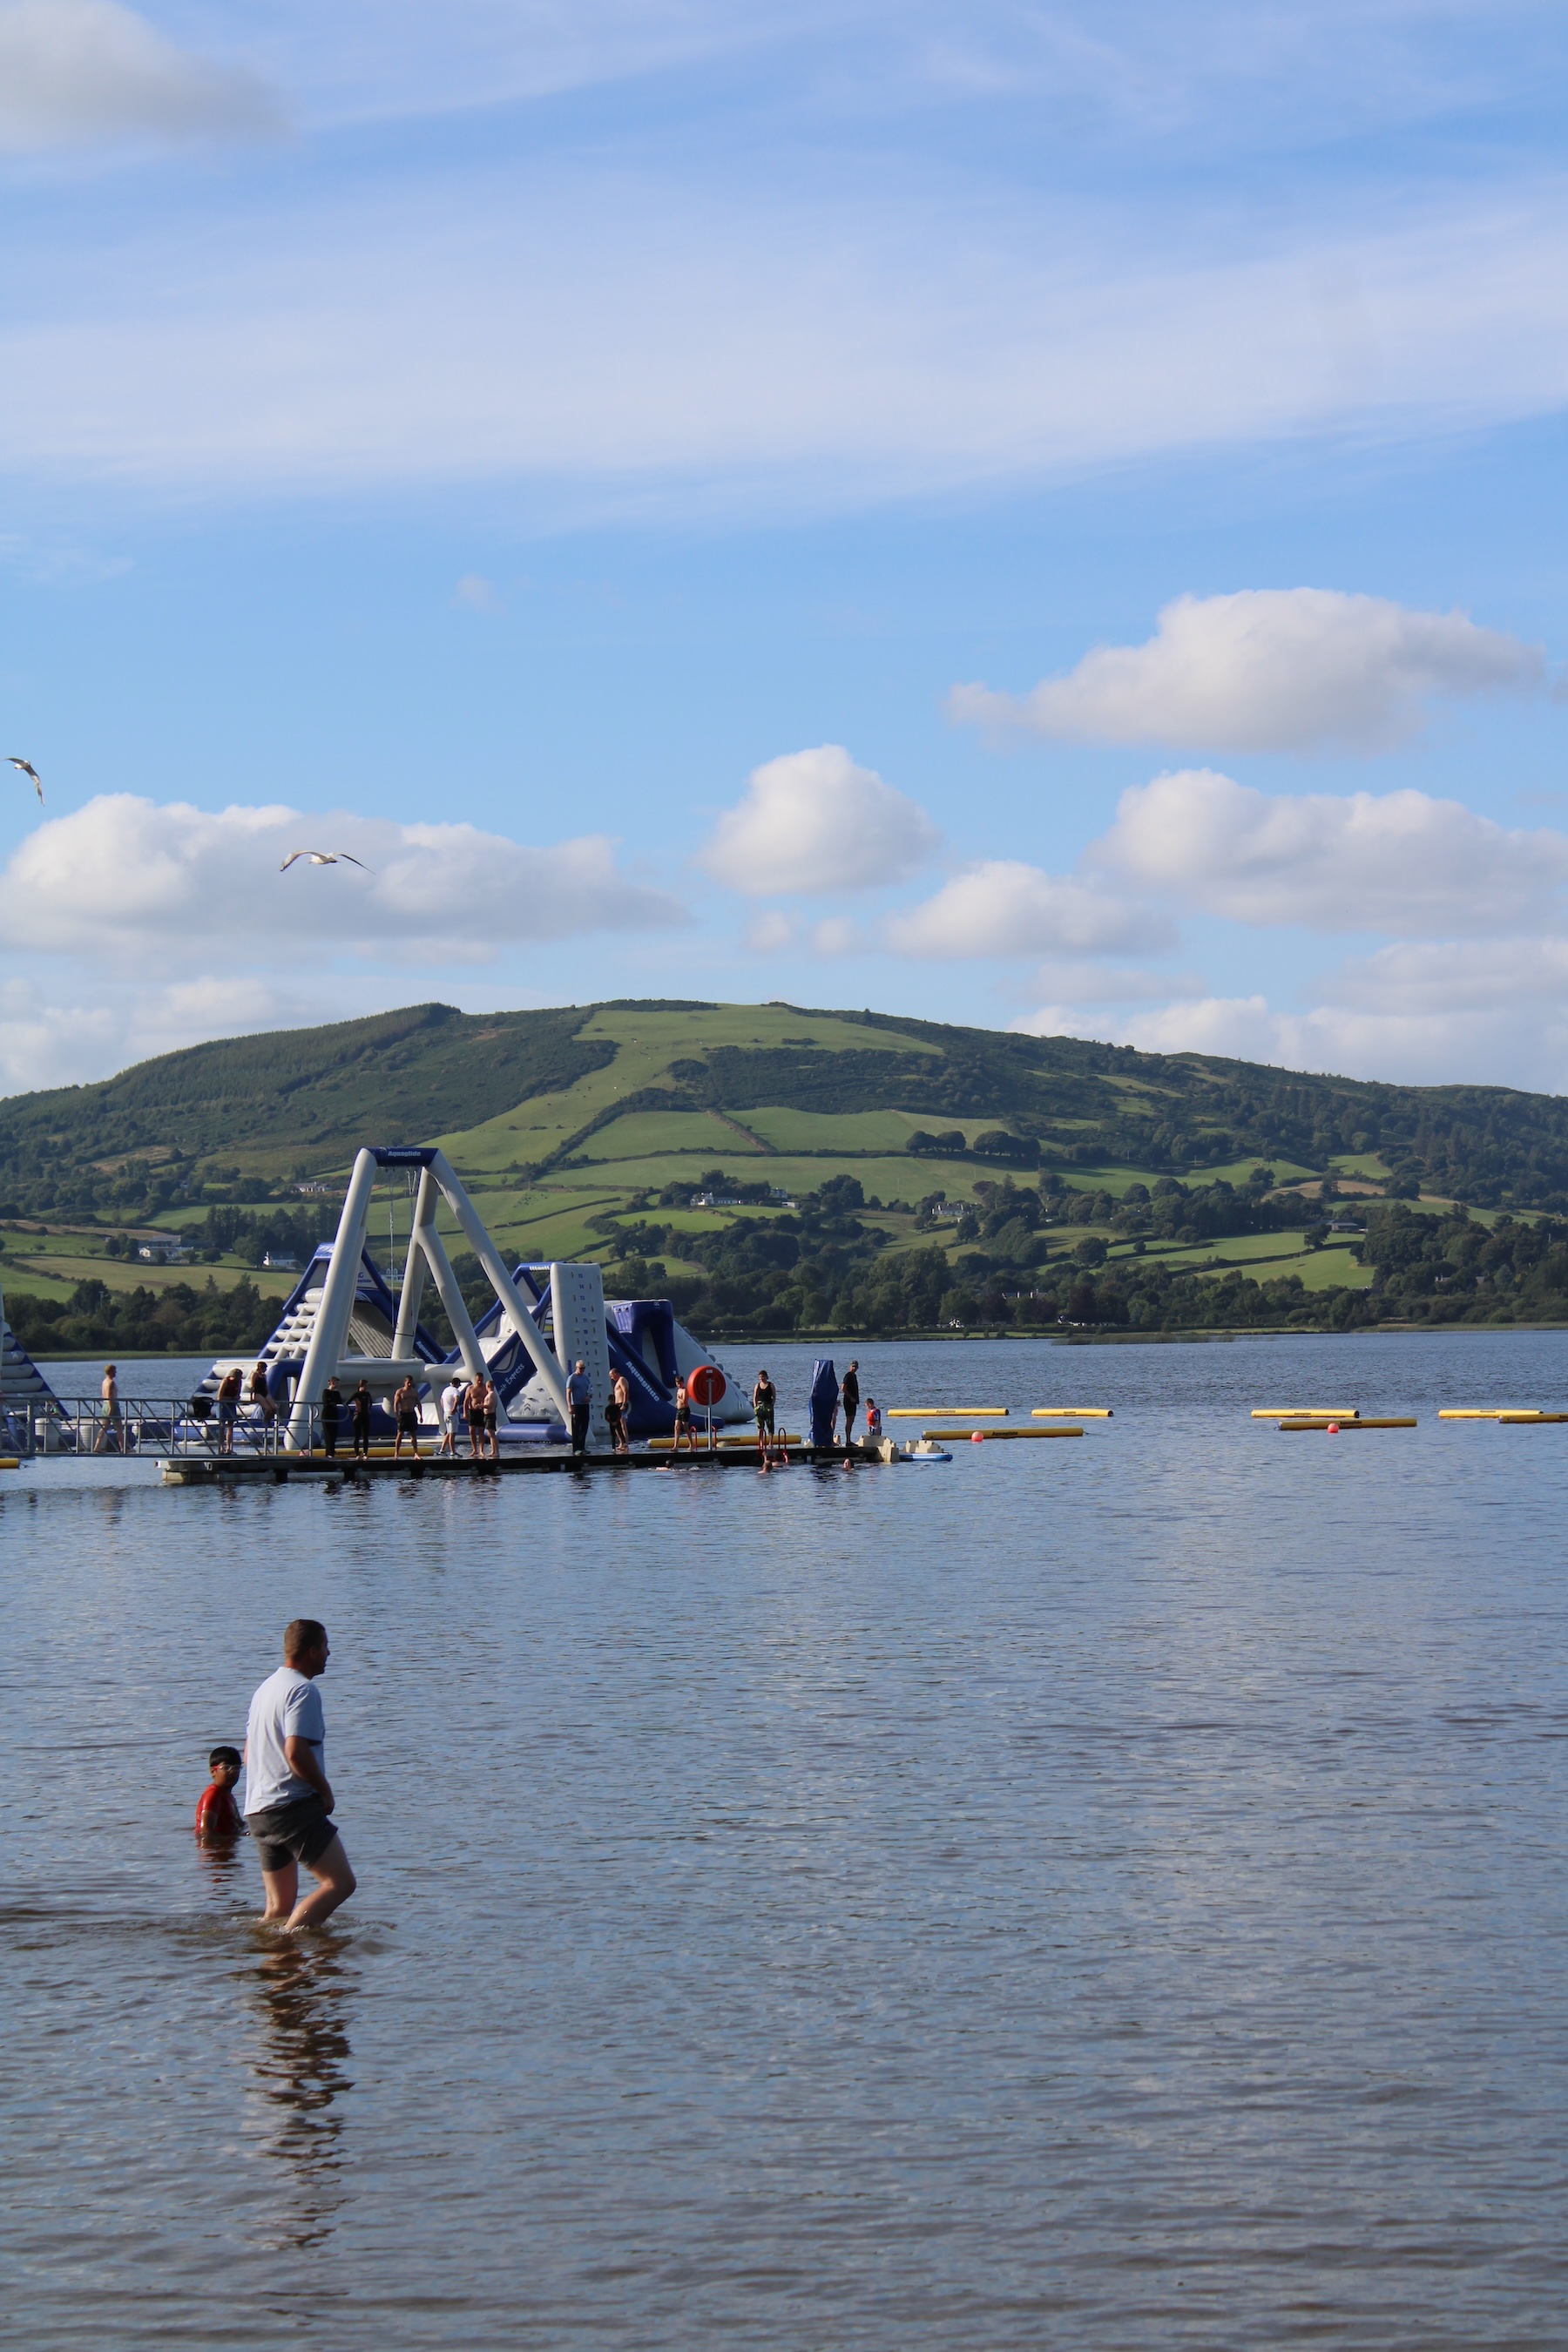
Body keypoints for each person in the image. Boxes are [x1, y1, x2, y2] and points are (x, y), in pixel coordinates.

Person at [243, 1619, 356, 1932]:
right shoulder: (302, 1690)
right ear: (311, 1651)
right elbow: (295, 1752)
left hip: (258, 1809)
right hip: (291, 1807)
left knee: (278, 1908)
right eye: (325, 1646)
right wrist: (325, 1791)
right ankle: (288, 1943)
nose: (329, 1653)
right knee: (340, 1883)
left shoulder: (265, 1689)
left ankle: (277, 1970)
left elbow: (249, 1751)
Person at [195, 1745, 244, 1842]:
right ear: (213, 1771)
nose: (232, 1772)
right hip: (214, 1851)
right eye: (226, 1768)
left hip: (227, 1849)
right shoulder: (213, 1794)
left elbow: (240, 1824)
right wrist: (221, 1847)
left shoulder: (228, 1796)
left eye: (236, 1768)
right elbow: (205, 1831)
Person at [93, 1363, 122, 1454]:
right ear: (111, 1372)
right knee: (119, 1428)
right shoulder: (111, 1382)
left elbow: (104, 1395)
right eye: (114, 1371)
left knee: (104, 1427)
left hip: (105, 1405)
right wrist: (111, 1408)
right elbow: (109, 1396)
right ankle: (123, 1448)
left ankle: (97, 1446)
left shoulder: (104, 1381)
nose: (116, 1373)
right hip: (112, 1405)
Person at [565, 1358, 591, 1458]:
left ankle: (582, 1447)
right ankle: (576, 1449)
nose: (582, 1370)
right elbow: (568, 1393)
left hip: (585, 1405)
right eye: (580, 1368)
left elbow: (590, 1389)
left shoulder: (586, 1378)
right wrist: (569, 1406)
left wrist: (589, 1397)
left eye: (583, 1368)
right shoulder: (572, 1378)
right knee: (576, 1427)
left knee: (584, 1427)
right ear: (576, 1367)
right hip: (576, 1405)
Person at [392, 1373, 422, 1459]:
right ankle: (396, 1453)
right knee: (400, 1434)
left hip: (412, 1413)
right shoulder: (400, 1392)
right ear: (405, 1382)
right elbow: (396, 1404)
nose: (409, 1384)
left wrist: (421, 1415)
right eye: (408, 1383)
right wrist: (397, 1415)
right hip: (403, 1414)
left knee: (413, 1434)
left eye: (411, 1383)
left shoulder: (414, 1392)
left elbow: (418, 1404)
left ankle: (416, 1453)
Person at [216, 1365, 242, 1456]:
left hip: (231, 1405)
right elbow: (219, 1397)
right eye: (237, 1378)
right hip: (223, 1405)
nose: (238, 1380)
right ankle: (221, 1448)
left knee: (231, 1427)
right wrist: (231, 1398)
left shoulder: (239, 1382)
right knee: (222, 1426)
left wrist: (235, 1398)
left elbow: (238, 1395)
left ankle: (229, 1448)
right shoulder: (226, 1381)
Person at [753, 1367, 776, 1465]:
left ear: (766, 1377)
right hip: (759, 1406)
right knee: (760, 1427)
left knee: (770, 1425)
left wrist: (771, 1405)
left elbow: (774, 1396)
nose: (761, 1379)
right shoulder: (757, 1386)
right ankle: (761, 1443)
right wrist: (755, 1407)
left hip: (768, 1406)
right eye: (760, 1377)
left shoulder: (770, 1385)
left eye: (763, 1377)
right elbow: (754, 1397)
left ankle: (770, 1443)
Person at [606, 1367, 630, 1455]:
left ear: (615, 1373)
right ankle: (621, 1442)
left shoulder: (622, 1379)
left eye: (611, 1376)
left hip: (621, 1404)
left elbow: (626, 1391)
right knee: (617, 1425)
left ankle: (626, 1443)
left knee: (622, 1424)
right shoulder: (617, 1382)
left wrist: (624, 1403)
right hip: (617, 1405)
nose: (611, 1378)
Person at [438, 1372, 463, 1456]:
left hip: (446, 1413)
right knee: (452, 1433)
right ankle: (452, 1451)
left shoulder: (446, 1390)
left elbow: (441, 1400)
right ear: (457, 1384)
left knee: (448, 1433)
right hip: (452, 1414)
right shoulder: (456, 1391)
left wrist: (445, 1409)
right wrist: (453, 1409)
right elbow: (456, 1400)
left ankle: (442, 1450)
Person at [249, 1362, 277, 1436]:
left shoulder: (264, 1376)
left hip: (265, 1392)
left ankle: (268, 1420)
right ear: (260, 1368)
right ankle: (264, 1421)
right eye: (264, 1368)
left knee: (274, 1408)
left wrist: (270, 1396)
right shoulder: (255, 1375)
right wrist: (251, 1397)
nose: (265, 1370)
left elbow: (266, 1387)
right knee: (268, 1409)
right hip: (258, 1393)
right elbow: (252, 1386)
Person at [840, 1360, 861, 1456]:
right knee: (849, 1420)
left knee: (852, 1420)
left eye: (855, 1367)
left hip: (853, 1401)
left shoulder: (854, 1376)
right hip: (848, 1401)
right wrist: (851, 1397)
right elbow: (843, 1388)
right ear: (850, 1367)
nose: (854, 1368)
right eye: (853, 1366)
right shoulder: (848, 1375)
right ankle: (847, 1440)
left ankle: (849, 1440)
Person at [671, 1374, 693, 1458]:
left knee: (685, 1427)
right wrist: (677, 1402)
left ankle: (691, 1444)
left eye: (680, 1383)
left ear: (683, 1383)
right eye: (677, 1383)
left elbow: (684, 1401)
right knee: (676, 1427)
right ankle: (675, 1446)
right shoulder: (679, 1390)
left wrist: (678, 1398)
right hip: (679, 1410)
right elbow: (679, 1401)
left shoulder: (684, 1390)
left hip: (685, 1410)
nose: (679, 1385)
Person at [350, 1379, 373, 1460]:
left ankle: (365, 1453)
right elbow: (347, 1403)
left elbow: (371, 1403)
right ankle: (357, 1453)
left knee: (365, 1436)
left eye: (367, 1386)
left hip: (366, 1415)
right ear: (361, 1386)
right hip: (358, 1416)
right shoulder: (357, 1394)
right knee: (357, 1436)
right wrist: (352, 1411)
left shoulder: (367, 1394)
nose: (367, 1387)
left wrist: (369, 1409)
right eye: (365, 1386)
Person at [464, 1374, 486, 1459]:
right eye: (478, 1380)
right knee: (471, 1430)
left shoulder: (485, 1388)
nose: (480, 1382)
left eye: (481, 1380)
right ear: (475, 1379)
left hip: (482, 1411)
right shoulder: (470, 1388)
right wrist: (465, 1413)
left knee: (481, 1430)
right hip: (472, 1411)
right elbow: (466, 1401)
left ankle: (481, 1450)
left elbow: (489, 1399)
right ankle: (474, 1449)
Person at [320, 1375, 341, 1460]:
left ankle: (332, 1452)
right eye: (336, 1383)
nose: (338, 1385)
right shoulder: (326, 1391)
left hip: (334, 1414)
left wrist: (332, 1402)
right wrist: (332, 1402)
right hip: (327, 1414)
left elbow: (339, 1401)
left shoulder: (336, 1393)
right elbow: (326, 1401)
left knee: (334, 1434)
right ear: (332, 1383)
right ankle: (328, 1452)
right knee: (328, 1434)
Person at [482, 1374, 501, 1461]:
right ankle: (493, 1451)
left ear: (488, 1386)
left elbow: (490, 1405)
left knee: (492, 1434)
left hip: (490, 1415)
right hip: (488, 1415)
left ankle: (496, 1451)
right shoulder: (490, 1394)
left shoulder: (492, 1395)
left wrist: (481, 1406)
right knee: (490, 1434)